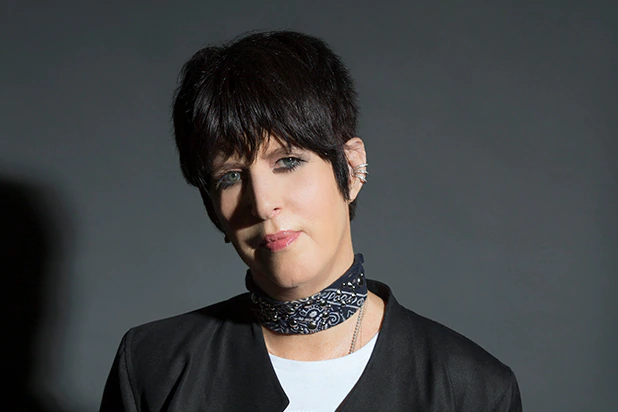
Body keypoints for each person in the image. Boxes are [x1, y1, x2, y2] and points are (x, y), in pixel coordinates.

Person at [99, 30, 522, 411]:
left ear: (351, 169)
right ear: (213, 209)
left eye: (287, 161)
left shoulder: (472, 389)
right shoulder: (153, 367)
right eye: (230, 177)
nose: (262, 204)